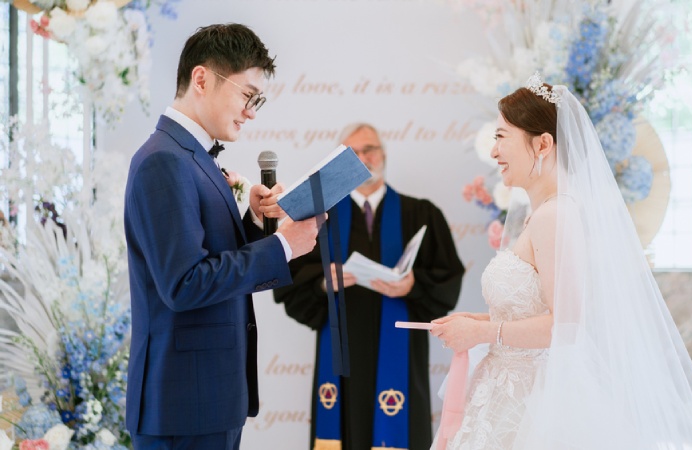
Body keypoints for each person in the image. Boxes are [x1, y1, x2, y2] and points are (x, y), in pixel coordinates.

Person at [429, 75, 692, 449]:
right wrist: (475, 321)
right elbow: (538, 308)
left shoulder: (557, 216)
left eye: (502, 136)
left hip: (534, 403)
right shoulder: (541, 214)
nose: (494, 152)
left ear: (542, 144)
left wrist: (482, 333)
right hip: (507, 392)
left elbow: (567, 325)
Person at [124, 23, 320, 450]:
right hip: (182, 403)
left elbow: (211, 257)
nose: (251, 111)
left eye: (257, 100)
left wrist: (252, 218)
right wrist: (284, 245)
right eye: (248, 95)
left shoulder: (192, 158)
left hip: (207, 398)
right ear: (201, 79)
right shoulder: (165, 161)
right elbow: (184, 283)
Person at [273, 123, 465, 450]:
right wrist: (322, 282)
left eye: (370, 150)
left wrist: (413, 286)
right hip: (342, 361)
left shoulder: (421, 213)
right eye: (353, 153)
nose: (363, 159)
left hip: (401, 357)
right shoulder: (317, 220)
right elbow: (288, 280)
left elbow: (448, 279)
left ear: (384, 155)